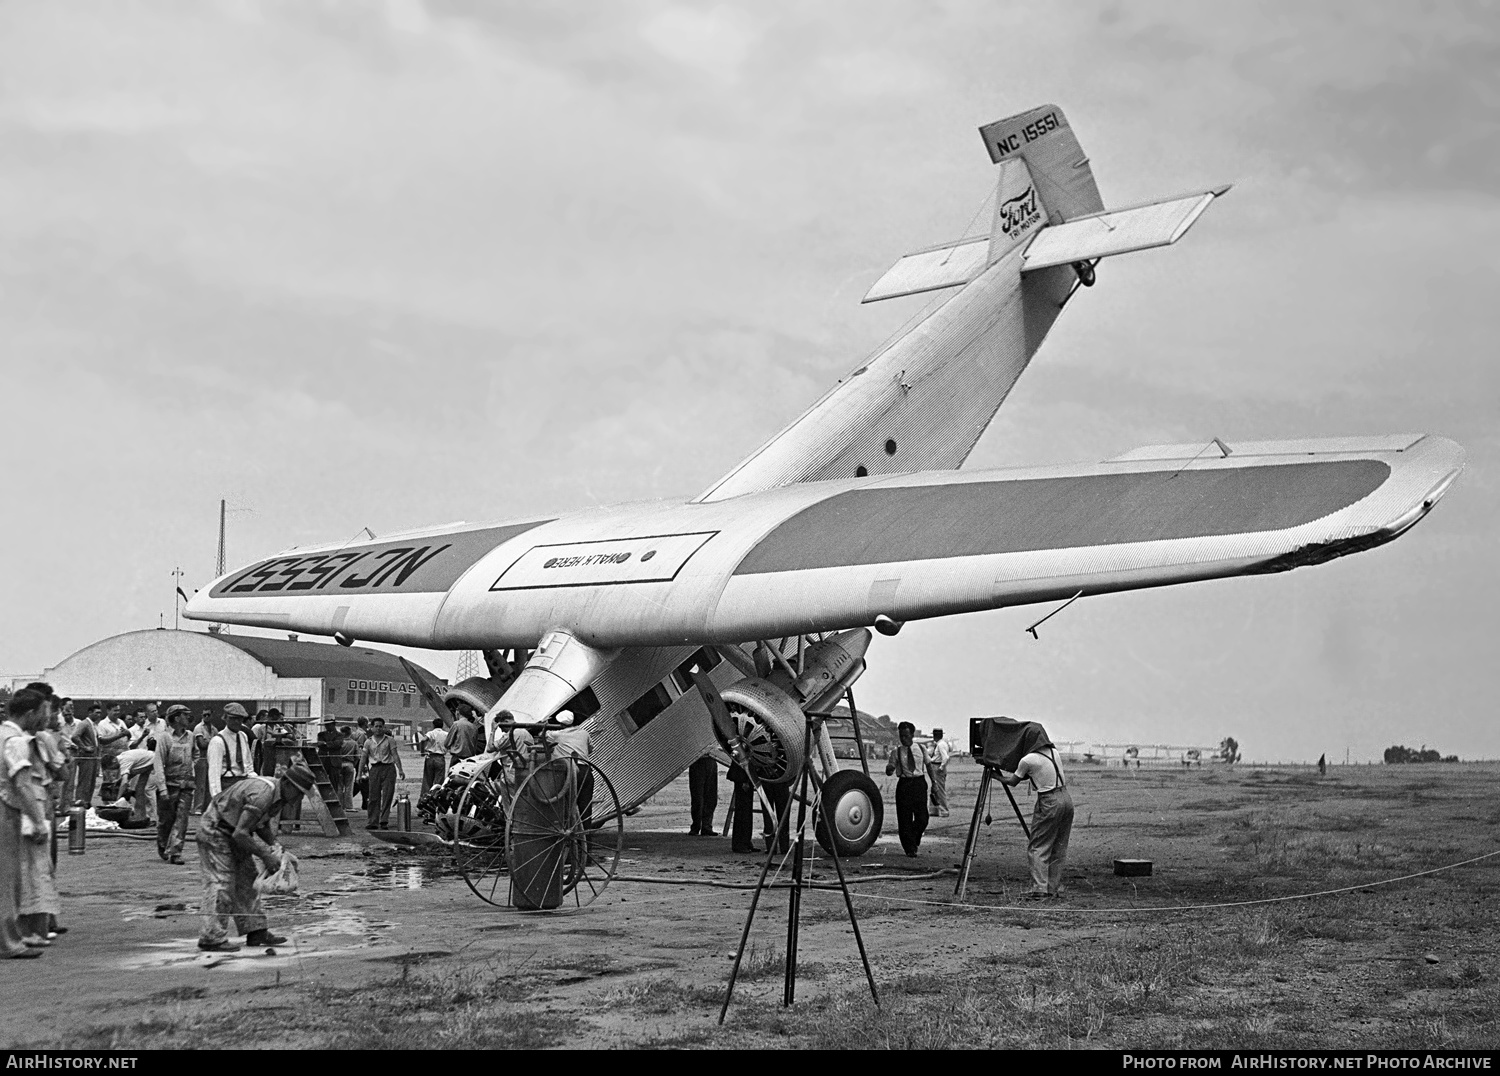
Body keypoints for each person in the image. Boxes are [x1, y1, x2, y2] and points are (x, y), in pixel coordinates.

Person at [196, 761, 314, 952]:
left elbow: (260, 824)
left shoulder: (277, 796)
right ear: (286, 783)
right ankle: (211, 937)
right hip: (216, 830)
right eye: (299, 792)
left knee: (249, 879)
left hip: (233, 830)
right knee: (221, 883)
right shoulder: (263, 793)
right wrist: (266, 855)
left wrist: (275, 846)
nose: (300, 798)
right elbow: (241, 833)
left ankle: (256, 930)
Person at [997, 725, 1073, 898]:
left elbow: (1012, 781)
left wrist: (996, 776)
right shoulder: (1054, 752)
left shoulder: (1028, 759)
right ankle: (1051, 888)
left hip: (1049, 801)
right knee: (1058, 846)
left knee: (1038, 846)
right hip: (1066, 798)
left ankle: (1040, 889)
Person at [154, 705, 196, 864]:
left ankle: (176, 852)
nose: (188, 718)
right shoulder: (165, 738)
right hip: (169, 785)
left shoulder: (190, 736)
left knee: (182, 819)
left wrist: (191, 768)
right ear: (177, 718)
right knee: (167, 820)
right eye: (185, 715)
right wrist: (162, 788)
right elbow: (158, 763)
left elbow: (195, 754)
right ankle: (162, 843)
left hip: (186, 785)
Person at [885, 721, 930, 856]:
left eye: (906, 736)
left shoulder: (921, 749)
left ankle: (914, 837)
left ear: (912, 735)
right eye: (901, 736)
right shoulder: (896, 752)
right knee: (904, 819)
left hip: (919, 783)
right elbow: (889, 770)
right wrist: (889, 769)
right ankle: (910, 849)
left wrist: (934, 783)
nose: (903, 739)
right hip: (904, 785)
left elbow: (928, 765)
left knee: (923, 818)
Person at [359, 718, 404, 829]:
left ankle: (384, 821)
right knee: (373, 797)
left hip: (388, 769)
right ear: (372, 728)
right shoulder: (368, 742)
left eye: (381, 726)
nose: (378, 728)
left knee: (387, 796)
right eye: (376, 726)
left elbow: (395, 755)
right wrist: (359, 774)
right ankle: (372, 822)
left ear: (384, 727)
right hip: (374, 770)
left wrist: (400, 770)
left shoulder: (390, 740)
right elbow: (363, 758)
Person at [206, 704, 253, 799]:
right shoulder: (218, 741)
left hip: (243, 785)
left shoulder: (243, 736)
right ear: (225, 718)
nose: (237, 722)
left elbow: (248, 764)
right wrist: (217, 797)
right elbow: (214, 774)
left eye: (240, 719)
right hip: (227, 786)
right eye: (233, 718)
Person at [70, 705, 101, 808]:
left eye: (100, 713)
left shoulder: (93, 725)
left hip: (93, 757)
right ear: (90, 713)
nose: (98, 715)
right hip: (86, 757)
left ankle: (87, 805)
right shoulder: (84, 723)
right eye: (96, 712)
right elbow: (74, 736)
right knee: (85, 783)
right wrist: (84, 747)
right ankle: (80, 805)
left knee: (91, 783)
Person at [726, 762, 757, 854]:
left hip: (745, 776)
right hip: (742, 777)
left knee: (746, 811)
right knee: (743, 811)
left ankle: (746, 841)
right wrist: (744, 780)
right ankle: (740, 843)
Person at [687, 754, 719, 836]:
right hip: (697, 760)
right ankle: (696, 826)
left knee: (711, 797)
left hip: (711, 759)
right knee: (697, 797)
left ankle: (706, 826)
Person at [416, 717, 448, 797]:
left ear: (433, 725)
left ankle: (424, 799)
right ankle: (435, 799)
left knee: (427, 781)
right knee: (439, 782)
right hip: (440, 758)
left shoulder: (431, 733)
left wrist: (422, 752)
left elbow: (423, 740)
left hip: (430, 757)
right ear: (442, 725)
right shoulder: (446, 734)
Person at [927, 727, 952, 818]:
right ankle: (933, 810)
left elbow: (945, 757)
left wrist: (941, 767)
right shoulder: (939, 744)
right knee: (934, 788)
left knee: (939, 789)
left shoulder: (941, 745)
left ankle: (944, 810)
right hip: (934, 765)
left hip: (937, 766)